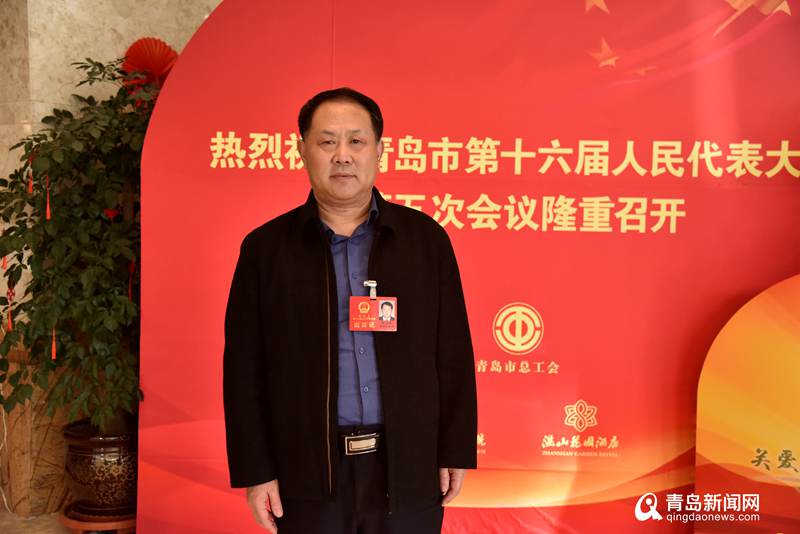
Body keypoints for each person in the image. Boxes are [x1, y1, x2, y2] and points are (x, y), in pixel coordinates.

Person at [223, 87, 477, 534]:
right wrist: (256, 471)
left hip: (407, 465)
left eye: (356, 141)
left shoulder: (425, 241)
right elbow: (243, 370)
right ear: (302, 150)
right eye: (327, 141)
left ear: (379, 150)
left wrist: (454, 449)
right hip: (305, 471)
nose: (342, 155)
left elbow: (453, 354)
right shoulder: (266, 249)